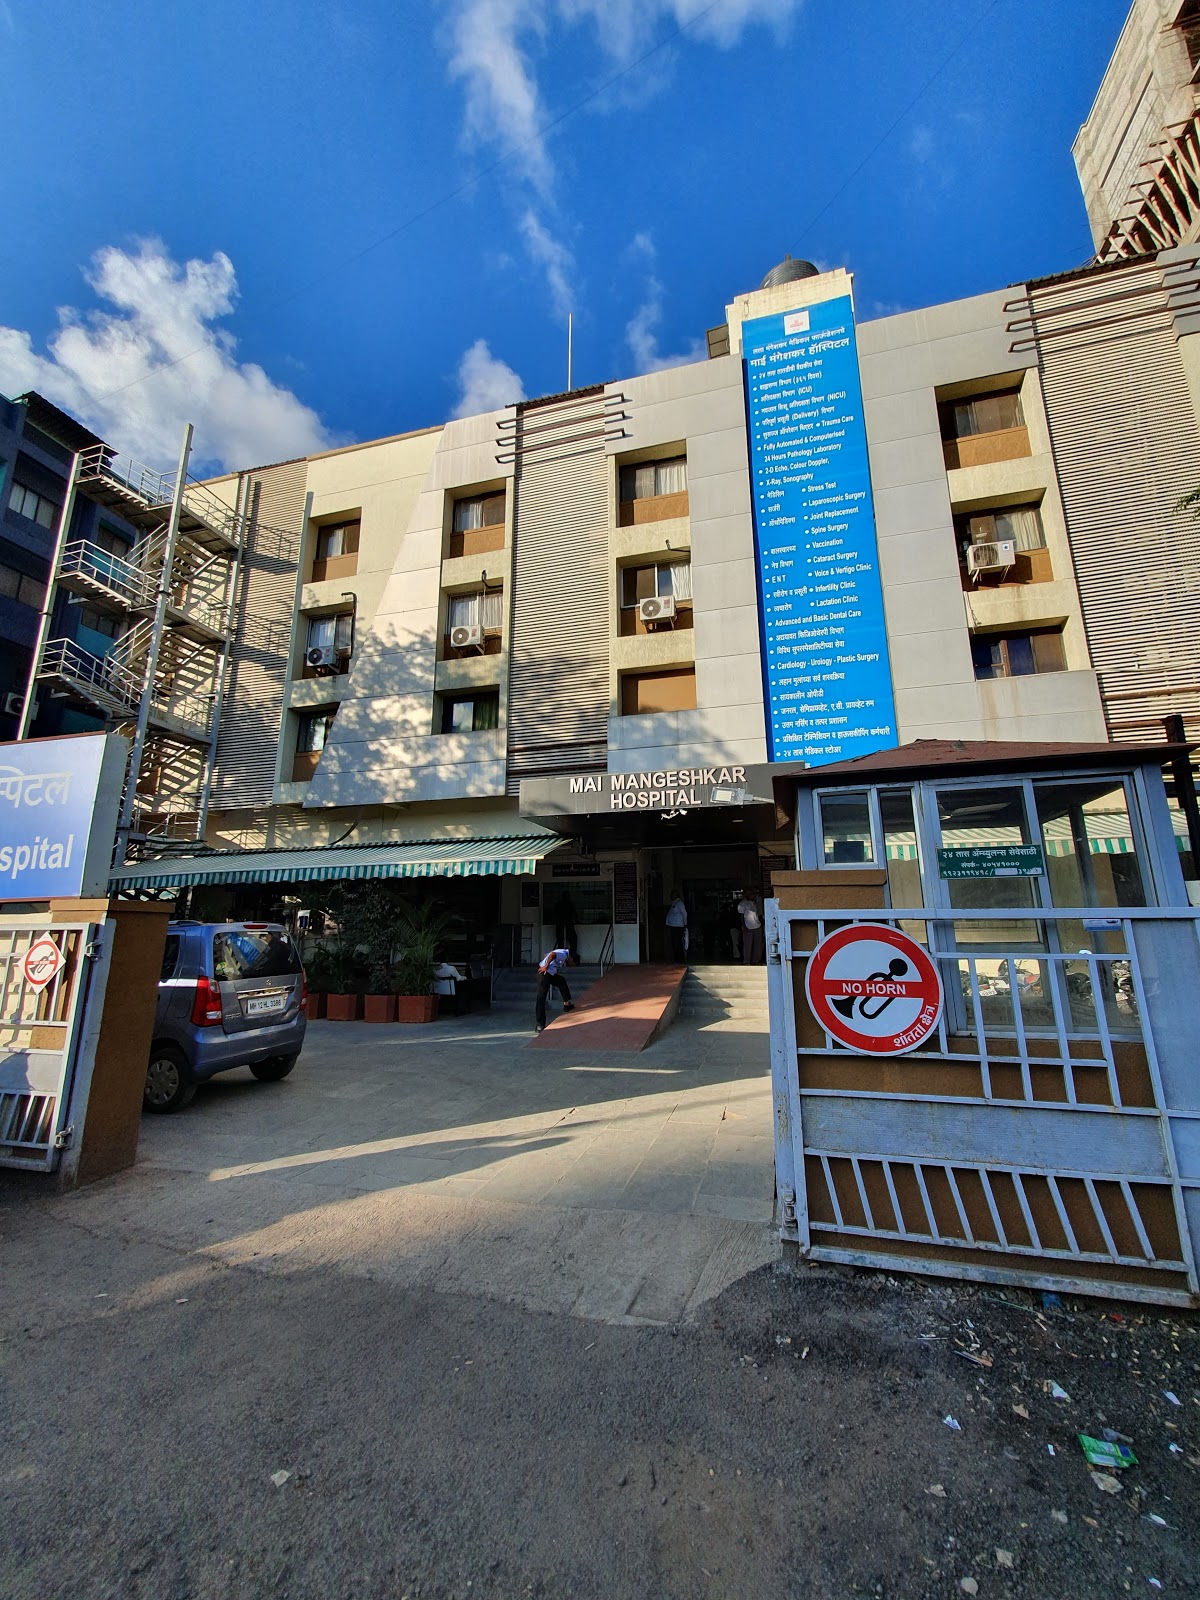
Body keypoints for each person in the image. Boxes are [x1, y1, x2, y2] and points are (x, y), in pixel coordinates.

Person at [535, 946, 577, 1033]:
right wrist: (546, 966)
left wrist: (547, 963)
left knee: (561, 981)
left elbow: (547, 955)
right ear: (571, 958)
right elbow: (552, 954)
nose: (570, 966)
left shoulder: (562, 951)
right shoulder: (564, 954)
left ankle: (566, 1005)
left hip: (550, 974)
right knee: (541, 998)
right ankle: (540, 1024)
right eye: (572, 964)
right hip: (544, 973)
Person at [551, 891, 579, 962]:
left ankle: (566, 958)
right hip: (566, 925)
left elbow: (554, 915)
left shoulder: (560, 904)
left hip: (563, 925)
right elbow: (574, 914)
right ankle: (571, 957)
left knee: (562, 942)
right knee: (569, 941)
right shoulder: (569, 904)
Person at [737, 891, 764, 964]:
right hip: (748, 927)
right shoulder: (742, 904)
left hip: (757, 926)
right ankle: (747, 961)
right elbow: (741, 916)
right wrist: (744, 926)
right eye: (753, 895)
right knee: (747, 945)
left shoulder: (754, 903)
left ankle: (756, 960)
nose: (754, 897)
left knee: (757, 945)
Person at [664, 890, 688, 963]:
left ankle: (680, 960)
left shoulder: (680, 903)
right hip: (673, 926)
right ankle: (676, 959)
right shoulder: (674, 903)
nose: (671, 896)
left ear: (676, 895)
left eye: (673, 894)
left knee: (677, 943)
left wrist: (685, 924)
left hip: (678, 926)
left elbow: (684, 914)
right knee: (674, 943)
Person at [721, 897, 742, 962]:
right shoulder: (735, 911)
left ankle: (737, 955)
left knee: (735, 942)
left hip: (734, 927)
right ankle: (737, 955)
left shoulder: (732, 911)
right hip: (736, 927)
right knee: (736, 942)